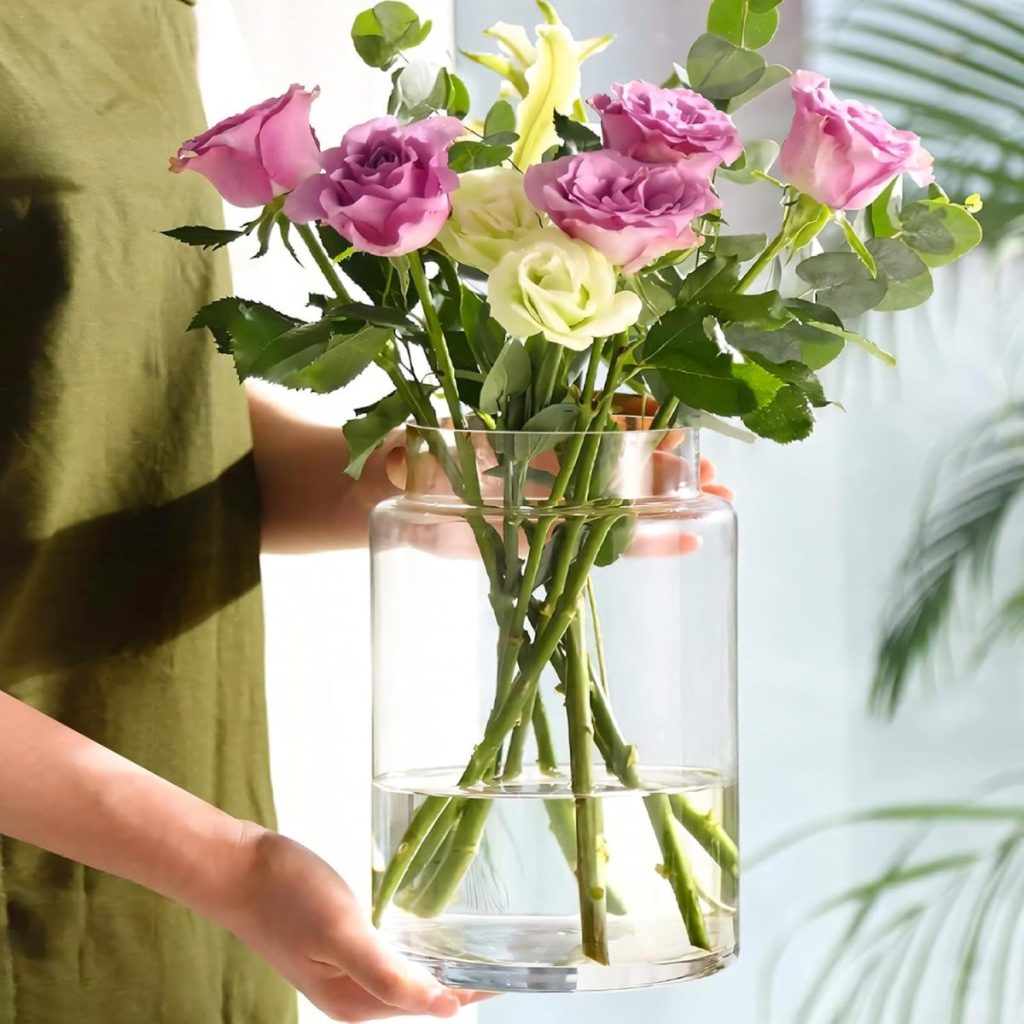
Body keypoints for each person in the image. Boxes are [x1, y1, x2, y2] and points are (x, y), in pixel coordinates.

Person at [0, 2, 731, 1023]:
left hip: (180, 910)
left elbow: (105, 399)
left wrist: (424, 482)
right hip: (123, 884)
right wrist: (232, 865)